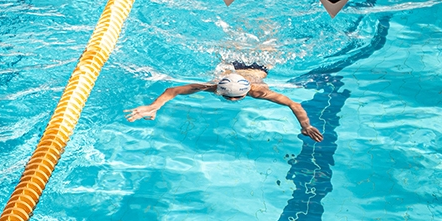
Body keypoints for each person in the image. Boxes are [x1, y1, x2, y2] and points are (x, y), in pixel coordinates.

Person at [125, 61, 323, 141]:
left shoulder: (258, 91)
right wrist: (154, 106)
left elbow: (294, 104)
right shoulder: (212, 86)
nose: (234, 100)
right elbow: (173, 90)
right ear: (220, 90)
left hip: (259, 65)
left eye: (237, 97)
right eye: (229, 97)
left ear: (247, 92)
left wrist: (306, 125)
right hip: (233, 65)